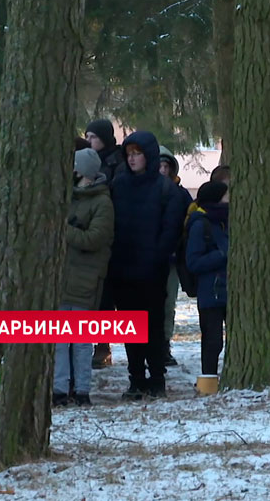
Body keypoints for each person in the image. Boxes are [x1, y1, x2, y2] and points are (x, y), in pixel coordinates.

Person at [108, 131, 189, 399]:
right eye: (129, 154)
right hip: (123, 269)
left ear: (149, 155)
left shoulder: (166, 190)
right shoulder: (118, 185)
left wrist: (155, 258)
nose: (132, 159)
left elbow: (171, 230)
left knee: (153, 327)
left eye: (137, 154)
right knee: (130, 329)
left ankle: (156, 378)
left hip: (152, 272)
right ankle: (136, 378)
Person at [55, 149, 114, 407]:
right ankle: (59, 388)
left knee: (80, 341)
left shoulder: (102, 203)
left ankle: (82, 390)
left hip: (85, 278)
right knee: (57, 339)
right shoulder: (69, 197)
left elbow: (94, 239)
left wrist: (63, 230)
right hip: (63, 278)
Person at [85, 118, 125, 369]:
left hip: (111, 235)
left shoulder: (116, 163)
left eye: (93, 137)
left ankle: (102, 346)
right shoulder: (90, 161)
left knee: (106, 297)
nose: (90, 142)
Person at [185, 182, 230, 377]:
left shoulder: (227, 221)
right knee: (213, 342)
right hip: (210, 293)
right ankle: (208, 381)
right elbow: (193, 262)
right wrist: (221, 254)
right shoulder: (200, 225)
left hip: (230, 292)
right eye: (226, 196)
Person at [158, 146, 193, 367]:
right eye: (159, 165)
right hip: (147, 258)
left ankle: (164, 344)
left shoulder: (181, 195)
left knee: (168, 304)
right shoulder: (144, 191)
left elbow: (187, 223)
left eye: (166, 166)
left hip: (171, 259)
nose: (162, 170)